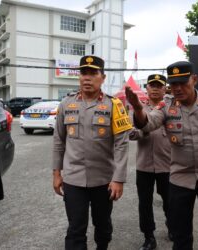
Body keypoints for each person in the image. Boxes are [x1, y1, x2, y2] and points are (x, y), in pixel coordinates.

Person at [125, 61, 198, 250]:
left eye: (182, 83)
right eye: (173, 84)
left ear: (194, 79)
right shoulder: (166, 107)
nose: (177, 88)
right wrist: (138, 109)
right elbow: (148, 124)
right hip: (180, 179)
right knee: (180, 234)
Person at [52, 55, 132, 250]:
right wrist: (56, 174)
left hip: (103, 180)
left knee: (103, 226)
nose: (87, 78)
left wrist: (118, 178)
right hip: (73, 180)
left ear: (103, 77)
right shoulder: (66, 104)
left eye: (93, 73)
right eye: (83, 73)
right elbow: (58, 141)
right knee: (75, 229)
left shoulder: (114, 105)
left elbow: (122, 144)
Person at [129, 74, 172, 250]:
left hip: (167, 164)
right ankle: (149, 237)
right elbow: (131, 132)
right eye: (151, 85)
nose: (155, 88)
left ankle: (173, 227)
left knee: (171, 201)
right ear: (146, 88)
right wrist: (142, 130)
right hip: (144, 165)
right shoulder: (138, 108)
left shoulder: (172, 107)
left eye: (158, 85)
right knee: (144, 204)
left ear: (164, 88)